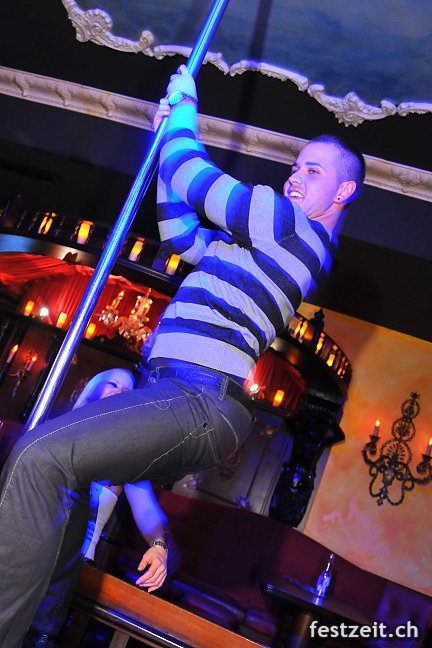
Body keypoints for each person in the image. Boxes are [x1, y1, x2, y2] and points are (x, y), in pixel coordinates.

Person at [0, 64, 365, 647]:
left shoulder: (290, 226)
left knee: (37, 454)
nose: (295, 177)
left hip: (200, 398)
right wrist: (166, 137)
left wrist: (186, 112)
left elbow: (197, 178)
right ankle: (40, 635)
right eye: (295, 166)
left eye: (312, 170)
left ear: (343, 192)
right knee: (67, 477)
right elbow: (181, 236)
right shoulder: (262, 243)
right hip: (175, 392)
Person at [24, 368, 171, 647]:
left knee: (37, 637)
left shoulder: (126, 458)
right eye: (113, 384)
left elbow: (149, 511)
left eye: (127, 391)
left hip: (69, 568)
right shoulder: (56, 432)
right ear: (93, 391)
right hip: (27, 553)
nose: (119, 392)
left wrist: (160, 547)